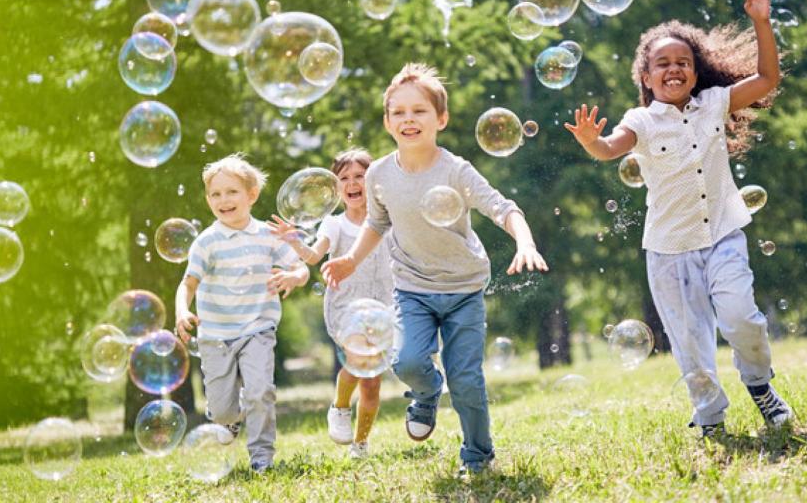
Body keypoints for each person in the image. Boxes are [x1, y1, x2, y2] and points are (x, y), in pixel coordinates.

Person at [565, 0, 792, 439]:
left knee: (743, 319)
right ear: (646, 76)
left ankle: (760, 385)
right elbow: (611, 148)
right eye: (662, 63)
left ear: (696, 69)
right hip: (670, 251)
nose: (674, 69)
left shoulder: (714, 102)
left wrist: (761, 22)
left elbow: (768, 78)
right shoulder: (642, 121)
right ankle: (709, 416)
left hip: (724, 233)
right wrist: (591, 140)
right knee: (691, 347)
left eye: (683, 61)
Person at [322, 63, 549, 476]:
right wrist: (350, 260)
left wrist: (525, 241)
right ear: (388, 122)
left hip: (463, 288)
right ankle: (426, 393)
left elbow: (503, 207)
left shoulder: (455, 170)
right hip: (411, 288)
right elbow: (376, 223)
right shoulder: (379, 174)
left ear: (440, 118)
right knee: (406, 361)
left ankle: (478, 456)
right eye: (399, 112)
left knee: (466, 381)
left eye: (420, 111)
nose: (409, 119)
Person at [175, 153, 309, 473]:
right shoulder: (206, 242)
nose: (223, 200)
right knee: (221, 410)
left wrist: (294, 276)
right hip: (216, 335)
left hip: (257, 328)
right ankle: (230, 421)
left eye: (232, 191)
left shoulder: (268, 235)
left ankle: (262, 457)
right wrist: (182, 311)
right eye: (215, 194)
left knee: (260, 391)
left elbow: (300, 267)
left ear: (251, 195)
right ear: (208, 200)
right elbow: (188, 283)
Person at [267, 148, 394, 459]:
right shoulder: (334, 225)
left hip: (385, 306)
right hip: (347, 306)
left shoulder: (389, 218)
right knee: (357, 362)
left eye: (359, 177)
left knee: (372, 384)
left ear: (373, 181)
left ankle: (361, 443)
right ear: (337, 188)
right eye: (344, 178)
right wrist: (295, 241)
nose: (352, 183)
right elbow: (313, 256)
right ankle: (339, 407)